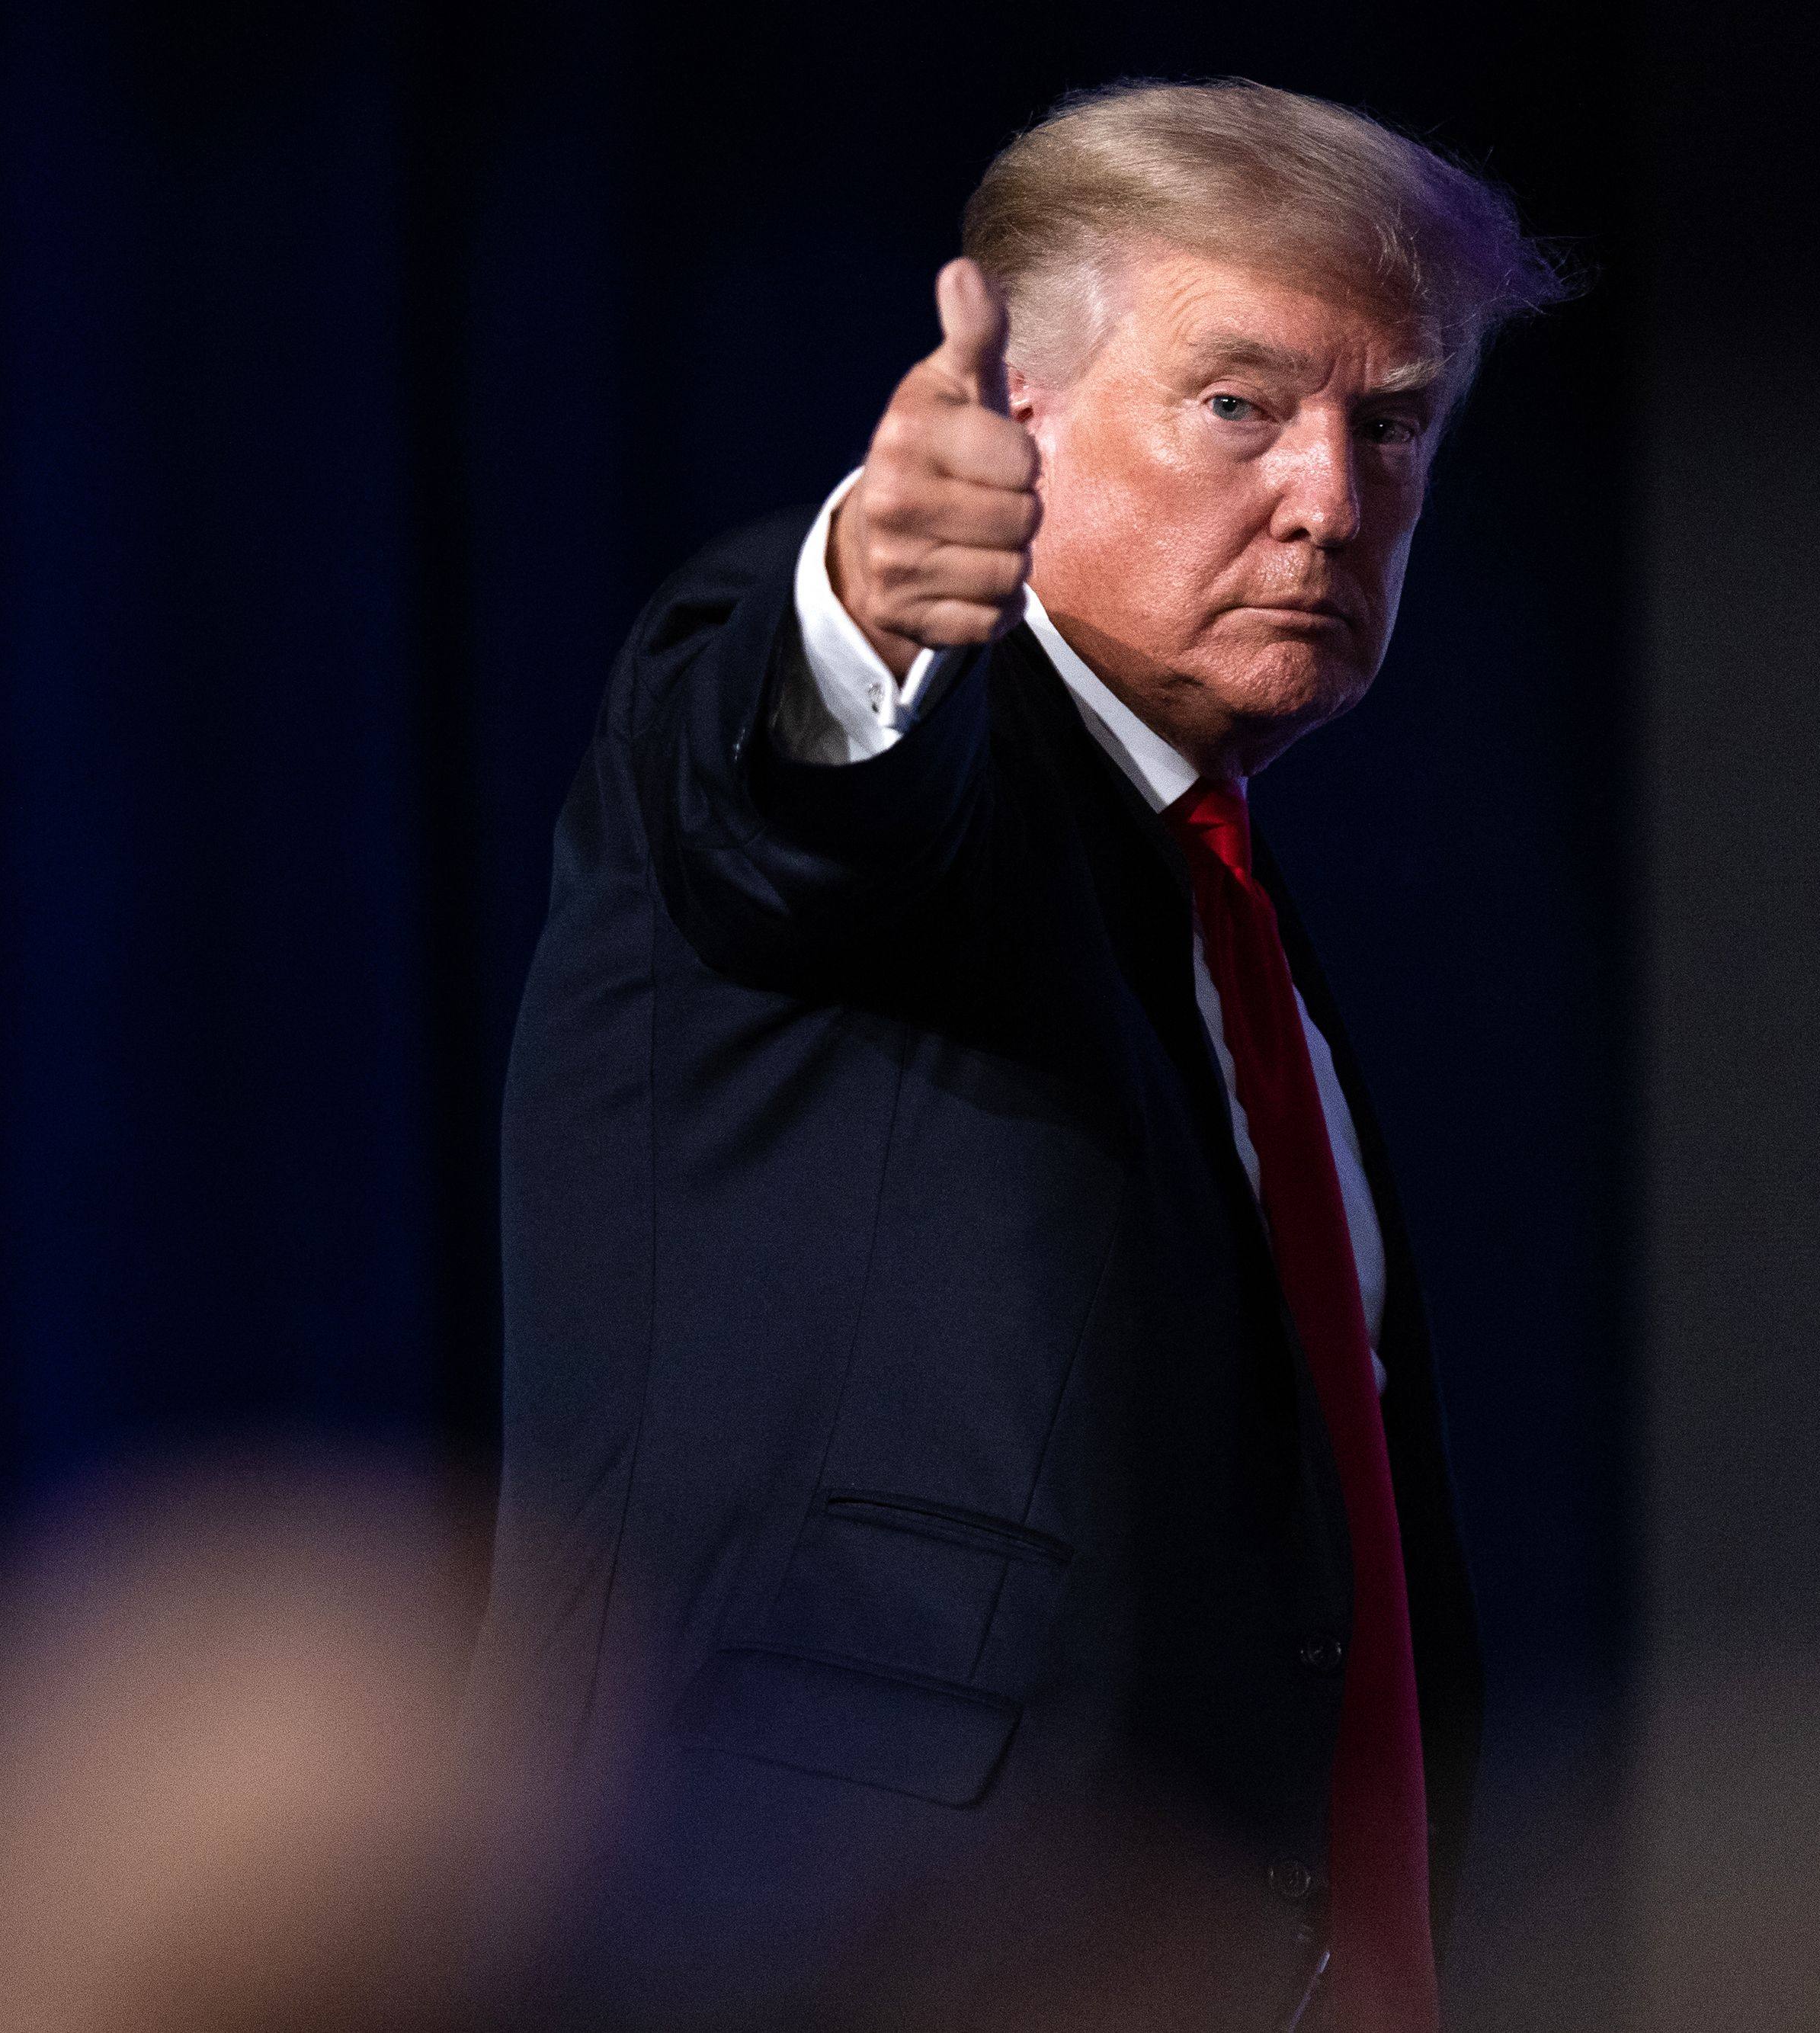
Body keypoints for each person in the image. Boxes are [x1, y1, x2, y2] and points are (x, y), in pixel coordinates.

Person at [469, 79, 1571, 2030]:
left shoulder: (1225, 911)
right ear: (1018, 419)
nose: (1328, 493)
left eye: (1386, 422)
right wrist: (869, 606)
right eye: (1238, 402)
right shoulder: (887, 744)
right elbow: (798, 789)